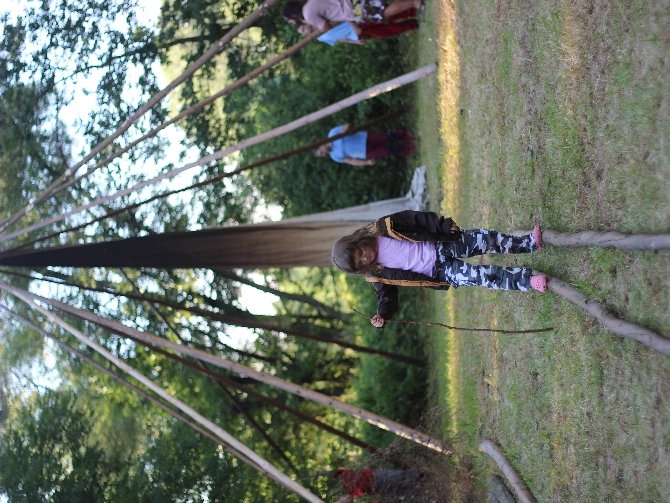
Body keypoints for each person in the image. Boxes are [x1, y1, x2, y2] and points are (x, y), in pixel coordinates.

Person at [331, 210, 547, 328]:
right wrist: (382, 315)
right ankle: (527, 281)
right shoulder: (376, 274)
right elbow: (386, 298)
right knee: (482, 276)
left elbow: (416, 219)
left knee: (488, 239)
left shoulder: (383, 228)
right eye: (360, 262)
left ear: (357, 240)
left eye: (360, 252)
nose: (365, 257)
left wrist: (441, 225)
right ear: (360, 269)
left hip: (441, 243)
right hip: (440, 271)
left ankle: (528, 243)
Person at [282, 0, 420, 32]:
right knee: (382, 9)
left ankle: (414, 3)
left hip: (352, 9)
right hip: (350, 4)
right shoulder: (309, 3)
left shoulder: (308, 15)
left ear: (293, 15)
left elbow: (326, 27)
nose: (292, 23)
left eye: (290, 20)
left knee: (382, 14)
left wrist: (312, 28)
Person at [315, 123, 415, 166]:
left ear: (321, 145)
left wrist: (342, 133)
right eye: (322, 154)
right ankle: (407, 148)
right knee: (387, 151)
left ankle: (405, 136)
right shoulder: (334, 156)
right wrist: (366, 163)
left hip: (364, 138)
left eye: (321, 151)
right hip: (364, 153)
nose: (323, 153)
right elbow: (351, 161)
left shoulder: (332, 134)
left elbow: (347, 125)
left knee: (386, 137)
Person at [332, 467, 421, 501]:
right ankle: (418, 488)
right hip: (375, 485)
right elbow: (357, 493)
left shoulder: (344, 474)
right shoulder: (346, 489)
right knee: (397, 488)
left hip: (375, 479)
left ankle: (419, 475)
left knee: (398, 478)